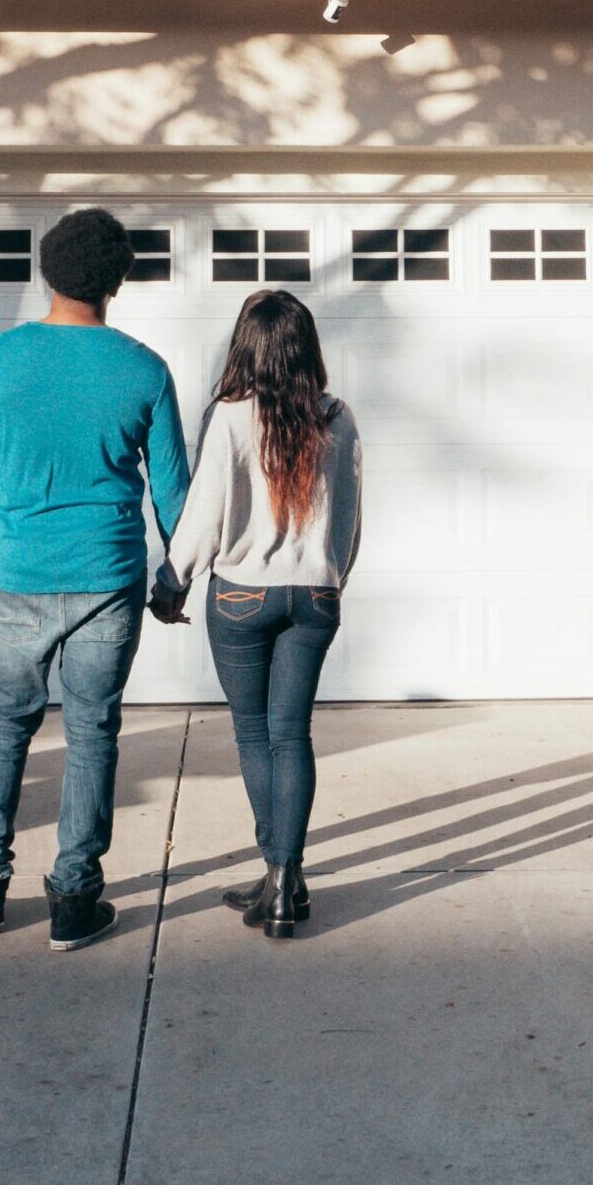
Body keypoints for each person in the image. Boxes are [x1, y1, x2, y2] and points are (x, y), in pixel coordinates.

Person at [0, 208, 190, 951]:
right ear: (117, 280)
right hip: (108, 578)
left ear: (47, 272)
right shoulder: (143, 368)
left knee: (5, 730)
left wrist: (12, 501)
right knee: (92, 733)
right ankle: (76, 899)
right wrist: (176, 577)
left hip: (20, 573)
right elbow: (174, 495)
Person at [152, 288, 361, 939]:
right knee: (290, 735)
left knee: (253, 736)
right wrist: (331, 578)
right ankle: (283, 878)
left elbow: (204, 513)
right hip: (314, 597)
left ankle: (277, 875)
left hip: (242, 596)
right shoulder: (338, 416)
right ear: (306, 348)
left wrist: (171, 581)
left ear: (247, 346)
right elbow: (349, 518)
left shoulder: (233, 415)